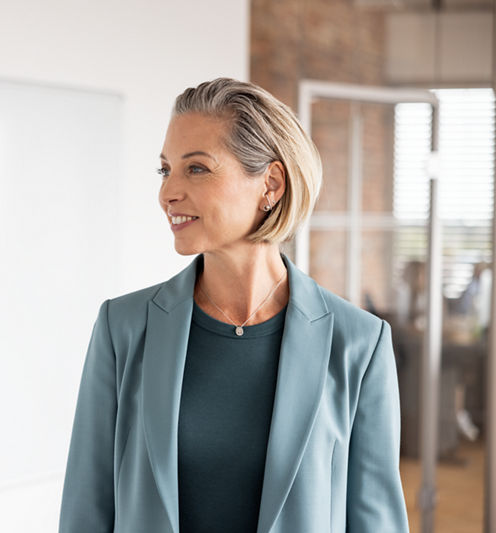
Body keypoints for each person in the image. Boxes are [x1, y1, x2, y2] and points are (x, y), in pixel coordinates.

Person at [59, 78, 409, 533]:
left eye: (197, 169)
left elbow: (376, 519)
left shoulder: (359, 343)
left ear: (271, 183)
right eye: (165, 170)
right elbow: (86, 510)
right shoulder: (122, 328)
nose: (168, 193)